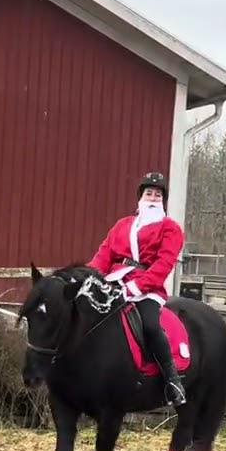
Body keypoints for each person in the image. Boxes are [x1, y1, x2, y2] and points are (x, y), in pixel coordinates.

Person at [87, 171, 188, 406]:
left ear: (162, 200)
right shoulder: (123, 225)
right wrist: (89, 278)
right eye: (148, 193)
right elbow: (103, 255)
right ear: (140, 197)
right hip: (114, 281)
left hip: (147, 287)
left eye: (157, 195)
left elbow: (164, 264)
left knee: (150, 325)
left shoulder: (170, 228)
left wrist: (136, 287)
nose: (152, 198)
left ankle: (172, 380)